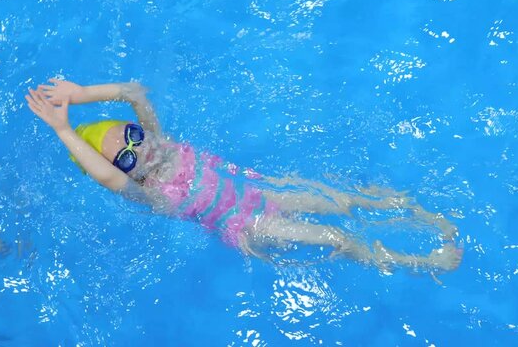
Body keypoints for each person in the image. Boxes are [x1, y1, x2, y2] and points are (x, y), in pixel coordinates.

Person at [25, 79, 463, 274]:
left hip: (257, 190)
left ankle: (428, 218)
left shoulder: (161, 141)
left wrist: (82, 96)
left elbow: (134, 92)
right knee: (337, 240)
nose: (140, 148)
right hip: (250, 225)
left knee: (346, 201)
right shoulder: (147, 193)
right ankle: (417, 264)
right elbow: (102, 175)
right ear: (124, 174)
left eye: (133, 136)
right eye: (125, 157)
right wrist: (63, 129)